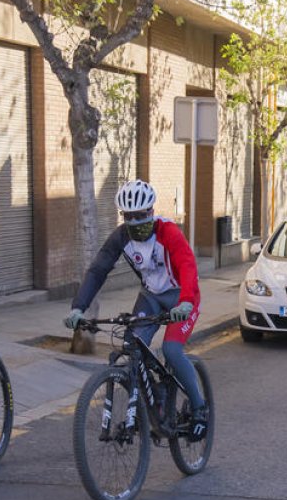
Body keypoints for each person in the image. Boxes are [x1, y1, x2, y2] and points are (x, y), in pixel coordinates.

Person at [63, 179, 208, 441]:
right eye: (130, 218)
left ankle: (199, 408)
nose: (137, 224)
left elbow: (187, 265)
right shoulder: (120, 237)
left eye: (142, 217)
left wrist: (186, 301)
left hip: (182, 298)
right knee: (133, 345)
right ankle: (157, 398)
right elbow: (98, 270)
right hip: (151, 296)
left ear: (152, 211)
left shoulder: (169, 233)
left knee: (172, 350)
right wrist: (78, 308)